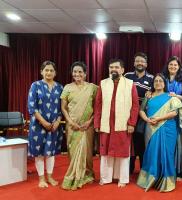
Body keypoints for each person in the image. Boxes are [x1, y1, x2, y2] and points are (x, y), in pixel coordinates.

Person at [94, 58, 139, 187]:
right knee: (106, 152)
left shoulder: (130, 84)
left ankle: (123, 179)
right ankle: (106, 178)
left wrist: (132, 123)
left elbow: (135, 106)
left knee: (123, 152)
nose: (113, 69)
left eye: (116, 67)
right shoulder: (103, 83)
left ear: (122, 70)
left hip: (123, 124)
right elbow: (98, 105)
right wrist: (97, 123)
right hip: (106, 123)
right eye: (111, 67)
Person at [136, 73, 182, 192]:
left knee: (167, 153)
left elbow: (174, 113)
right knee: (151, 153)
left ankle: (165, 182)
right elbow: (141, 110)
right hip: (151, 127)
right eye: (156, 81)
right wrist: (147, 119)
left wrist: (158, 119)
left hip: (168, 128)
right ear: (153, 83)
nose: (158, 83)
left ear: (164, 83)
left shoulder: (170, 96)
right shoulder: (148, 96)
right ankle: (151, 179)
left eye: (160, 81)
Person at [60, 61, 98, 190]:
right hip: (72, 126)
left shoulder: (93, 88)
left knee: (87, 152)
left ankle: (87, 174)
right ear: (72, 73)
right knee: (73, 151)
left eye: (80, 72)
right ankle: (74, 174)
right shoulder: (67, 88)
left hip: (88, 126)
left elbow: (97, 108)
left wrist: (90, 121)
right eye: (75, 72)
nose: (77, 74)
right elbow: (63, 108)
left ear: (85, 74)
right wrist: (70, 122)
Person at [27, 60, 64, 188]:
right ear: (41, 71)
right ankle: (41, 179)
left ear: (55, 73)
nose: (48, 72)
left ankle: (50, 177)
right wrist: (43, 122)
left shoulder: (60, 87)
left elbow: (62, 108)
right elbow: (32, 107)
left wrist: (58, 121)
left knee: (50, 153)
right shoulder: (35, 85)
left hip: (54, 126)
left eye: (51, 70)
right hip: (38, 125)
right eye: (46, 70)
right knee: (39, 153)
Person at [124, 52, 154, 174]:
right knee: (128, 142)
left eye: (142, 61)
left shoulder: (152, 79)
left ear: (146, 64)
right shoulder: (127, 76)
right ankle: (128, 169)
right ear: (134, 63)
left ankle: (143, 169)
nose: (140, 63)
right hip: (127, 114)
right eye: (137, 61)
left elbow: (156, 93)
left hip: (143, 115)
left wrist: (151, 94)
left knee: (141, 142)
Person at [161, 56, 182, 179]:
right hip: (163, 114)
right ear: (167, 66)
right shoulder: (162, 78)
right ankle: (165, 169)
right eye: (171, 64)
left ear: (179, 67)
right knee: (165, 142)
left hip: (179, 116)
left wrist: (176, 96)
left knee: (179, 143)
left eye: (175, 65)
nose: (173, 67)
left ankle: (179, 171)